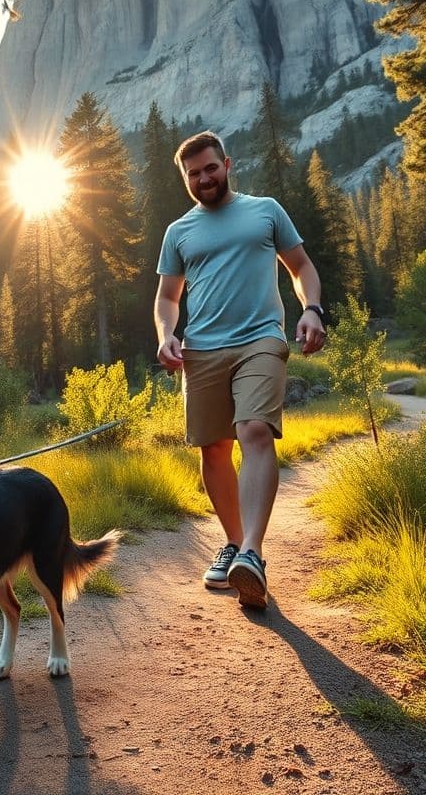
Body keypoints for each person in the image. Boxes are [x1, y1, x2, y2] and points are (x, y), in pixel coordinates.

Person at [154, 131, 326, 608]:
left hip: (261, 339)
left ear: (227, 164)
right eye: (194, 173)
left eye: (210, 168)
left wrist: (312, 309)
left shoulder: (265, 211)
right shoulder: (178, 232)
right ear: (185, 178)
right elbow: (167, 297)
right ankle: (234, 543)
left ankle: (252, 551)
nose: (204, 178)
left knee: (254, 430)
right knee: (214, 448)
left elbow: (301, 267)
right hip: (202, 350)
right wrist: (166, 333)